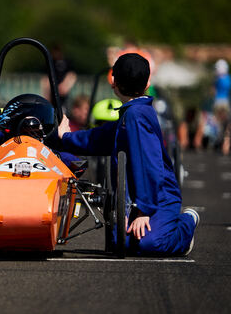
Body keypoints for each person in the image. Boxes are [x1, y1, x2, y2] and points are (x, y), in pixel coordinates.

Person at [57, 53, 199, 256]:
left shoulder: (136, 116)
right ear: (148, 82)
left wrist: (144, 211)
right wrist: (67, 138)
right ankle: (152, 223)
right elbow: (98, 138)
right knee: (121, 243)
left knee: (150, 244)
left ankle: (187, 223)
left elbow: (149, 164)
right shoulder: (131, 113)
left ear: (113, 83)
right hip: (137, 198)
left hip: (158, 196)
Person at [0, 94, 67, 177]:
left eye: (34, 128)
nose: (31, 126)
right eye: (26, 127)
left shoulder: (50, 154)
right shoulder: (0, 151)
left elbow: (77, 166)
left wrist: (64, 137)